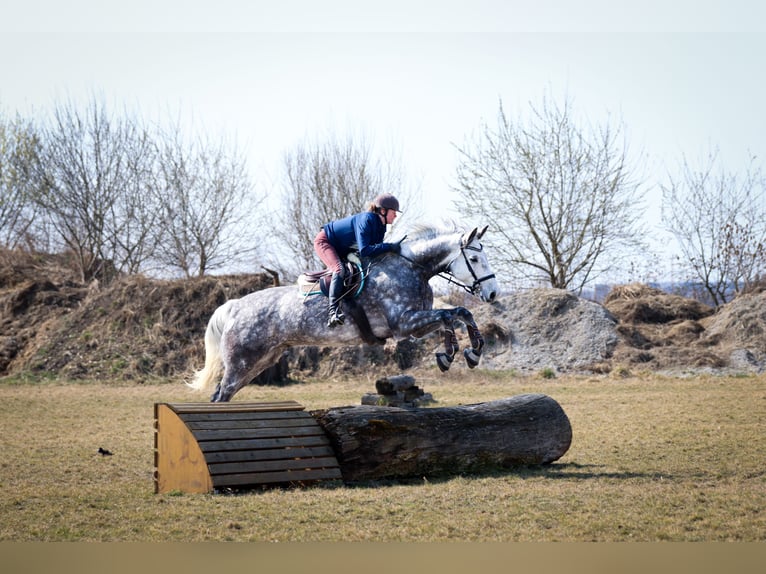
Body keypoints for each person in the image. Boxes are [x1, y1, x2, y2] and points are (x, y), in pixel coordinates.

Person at [313, 193, 402, 328]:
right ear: (383, 211)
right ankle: (333, 312)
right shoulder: (367, 219)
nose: (395, 215)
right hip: (325, 242)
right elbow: (365, 250)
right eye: (394, 212)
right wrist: (390, 247)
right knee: (339, 269)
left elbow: (375, 253)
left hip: (343, 249)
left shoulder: (381, 226)